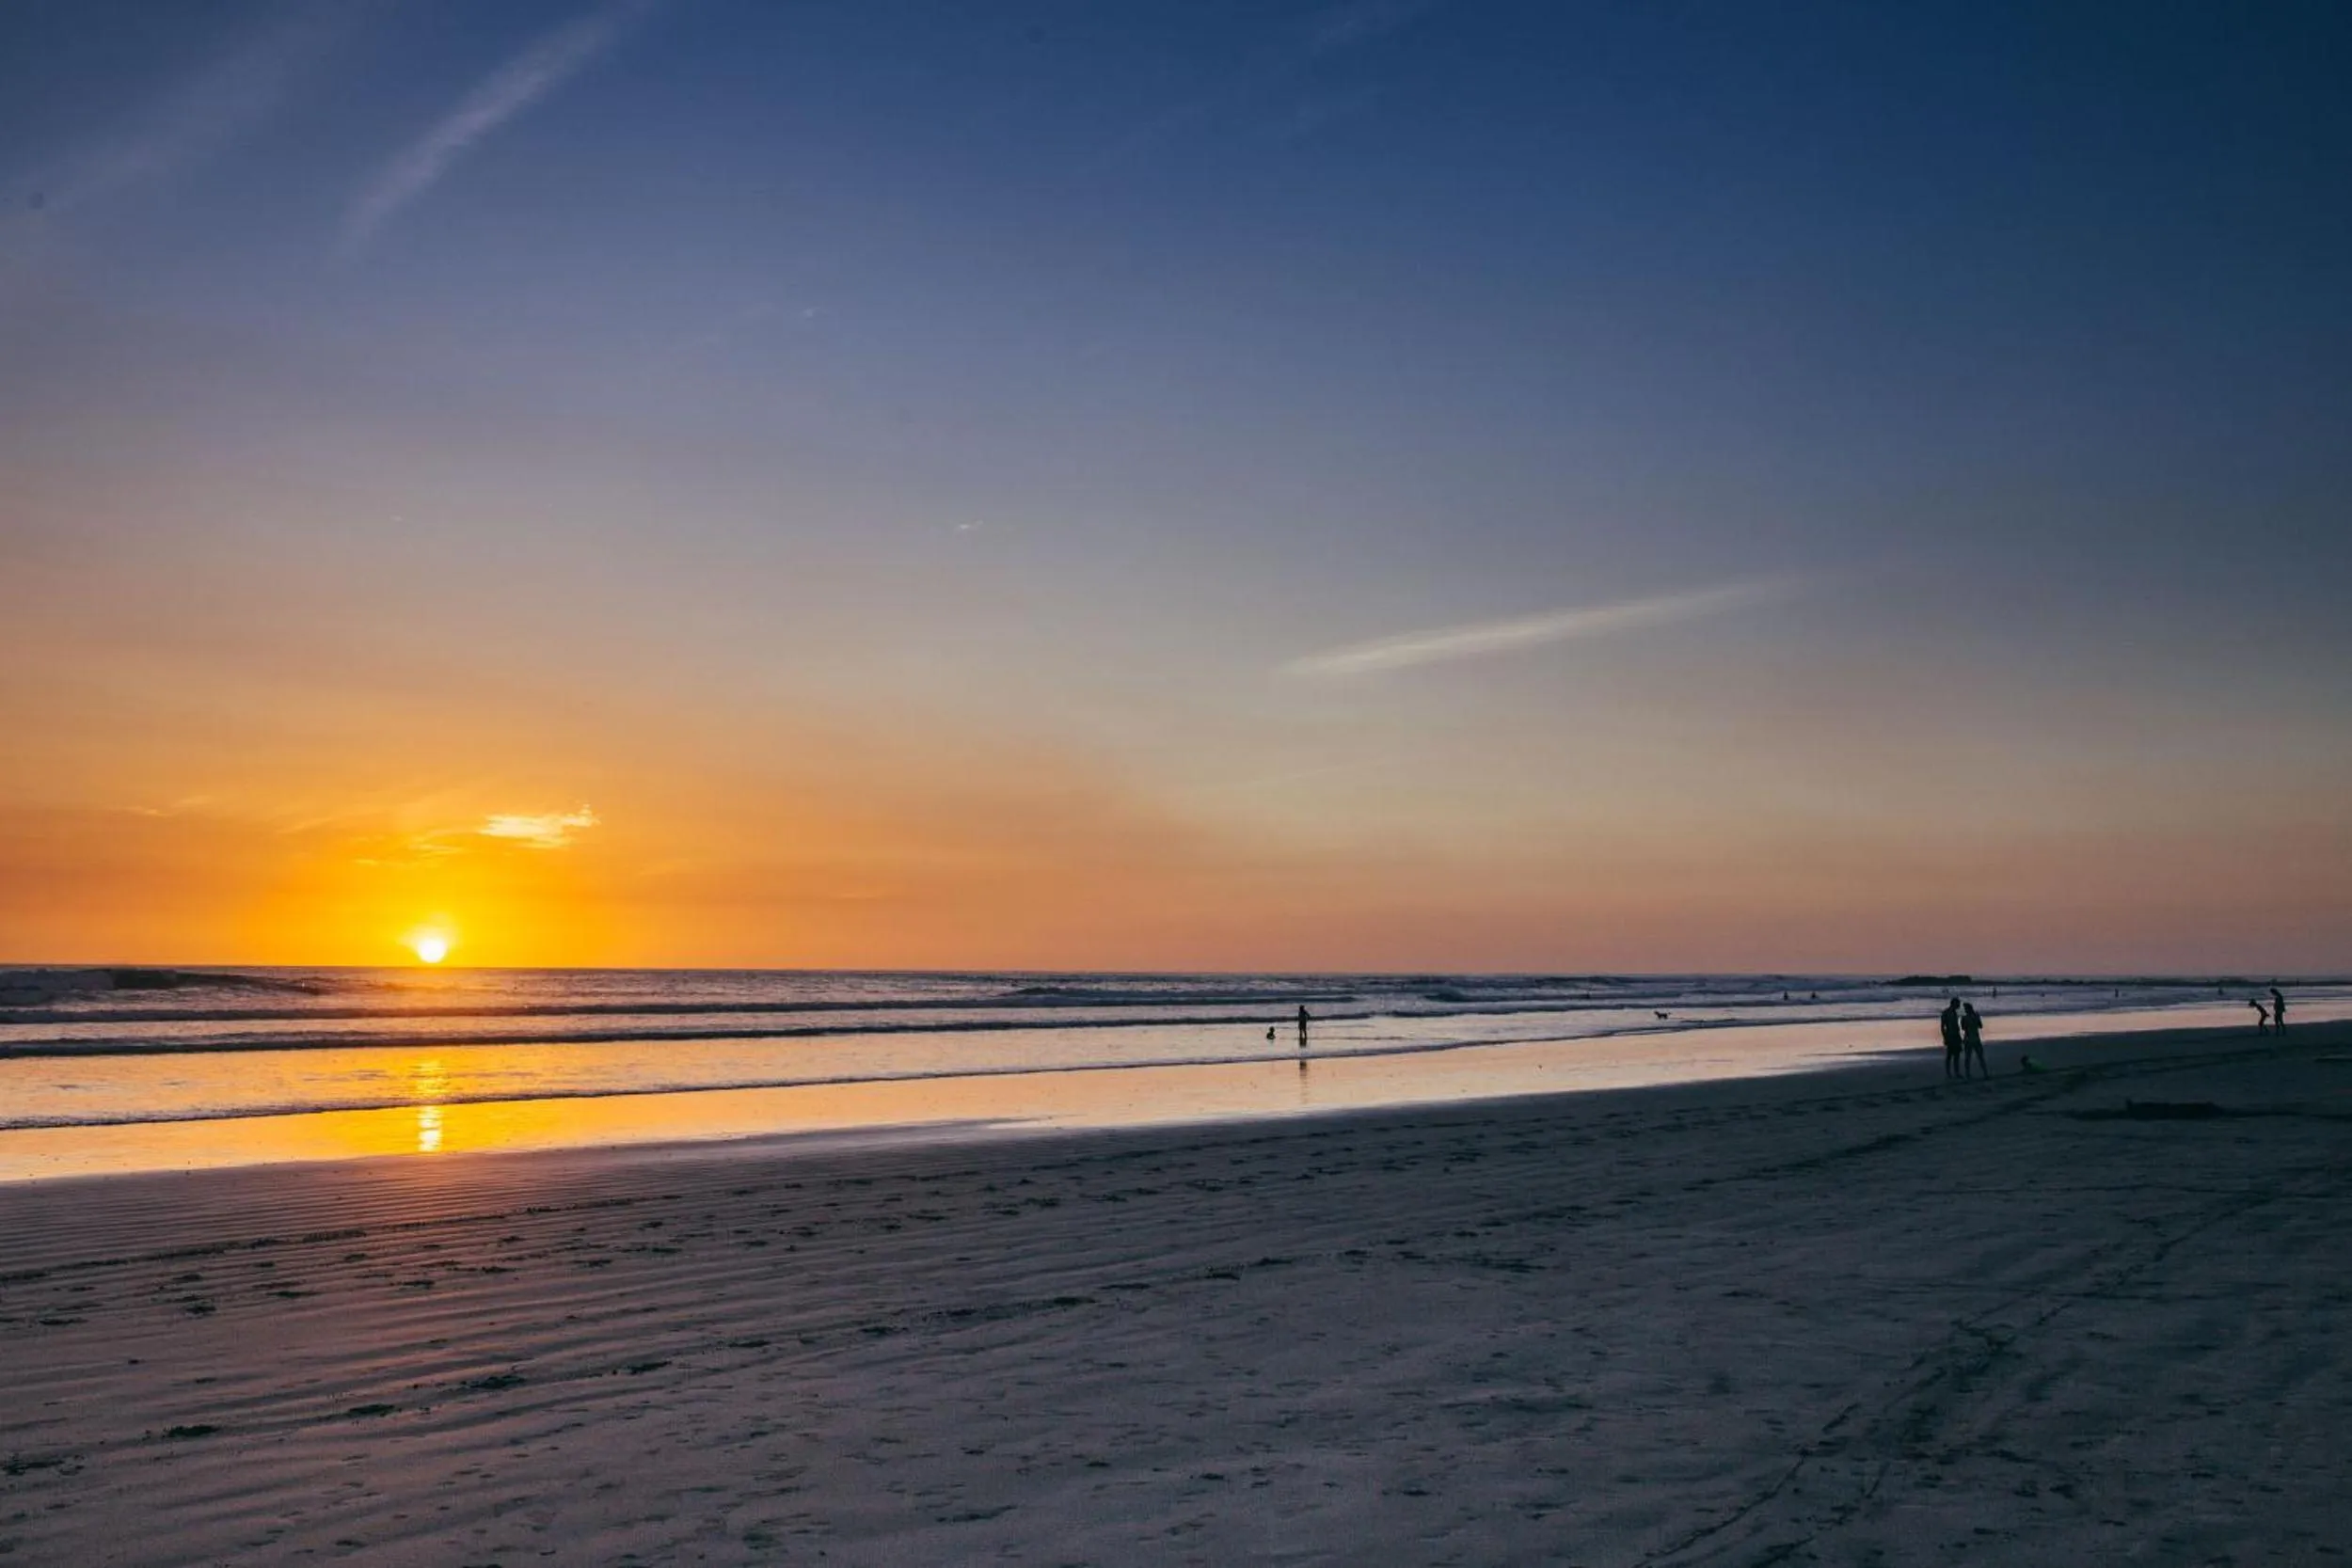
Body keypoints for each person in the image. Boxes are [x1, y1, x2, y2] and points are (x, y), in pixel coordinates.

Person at [1961, 1002, 1987, 1079]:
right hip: (1975, 1038)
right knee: (1980, 1057)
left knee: (1968, 1058)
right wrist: (1977, 1018)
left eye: (1965, 1009)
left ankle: (1968, 1074)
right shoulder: (1975, 1016)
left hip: (1969, 1039)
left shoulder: (1964, 1018)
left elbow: (1963, 1028)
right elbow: (1980, 1026)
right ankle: (1985, 1073)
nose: (1965, 1010)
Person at [1939, 998, 1963, 1080]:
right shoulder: (1946, 1013)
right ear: (1954, 1004)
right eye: (1958, 1004)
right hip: (1950, 1035)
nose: (1959, 1006)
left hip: (1956, 1035)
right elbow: (1942, 1026)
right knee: (1949, 1055)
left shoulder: (1957, 1011)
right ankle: (1949, 1073)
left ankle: (1956, 1072)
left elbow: (1964, 1019)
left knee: (1957, 1055)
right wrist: (1945, 1037)